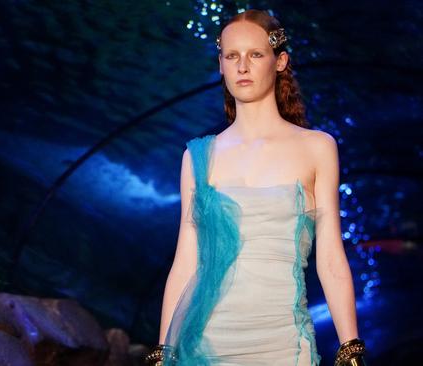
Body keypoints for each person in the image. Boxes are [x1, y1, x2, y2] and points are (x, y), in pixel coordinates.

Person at [145, 9, 367, 366]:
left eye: (256, 54)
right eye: (232, 56)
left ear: (280, 62)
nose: (242, 66)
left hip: (284, 343)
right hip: (203, 345)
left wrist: (350, 347)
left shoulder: (317, 147)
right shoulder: (197, 156)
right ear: (221, 65)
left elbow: (330, 257)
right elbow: (186, 261)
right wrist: (162, 352)